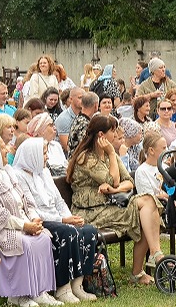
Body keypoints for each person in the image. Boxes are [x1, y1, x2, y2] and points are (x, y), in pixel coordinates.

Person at [0, 133, 67, 307]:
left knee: (43, 238)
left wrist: (33, 217)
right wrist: (25, 225)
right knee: (22, 242)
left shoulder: (6, 171)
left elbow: (26, 200)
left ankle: (39, 291)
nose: (7, 150)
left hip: (13, 223)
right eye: (2, 147)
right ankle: (17, 295)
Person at [67, 114, 161, 285]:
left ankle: (152, 257)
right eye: (113, 131)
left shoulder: (110, 155)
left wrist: (114, 190)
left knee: (149, 203)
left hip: (108, 205)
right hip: (89, 212)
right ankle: (148, 263)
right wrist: (111, 154)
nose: (116, 134)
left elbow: (128, 182)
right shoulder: (86, 158)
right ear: (101, 135)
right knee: (145, 210)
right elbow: (113, 180)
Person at [10, 138, 100, 303]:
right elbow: (32, 208)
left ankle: (77, 285)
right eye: (44, 154)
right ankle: (63, 288)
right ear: (32, 155)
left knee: (89, 231)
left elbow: (59, 201)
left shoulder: (43, 172)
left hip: (60, 219)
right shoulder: (18, 176)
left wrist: (70, 218)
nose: (47, 157)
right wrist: (63, 220)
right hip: (40, 221)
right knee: (68, 232)